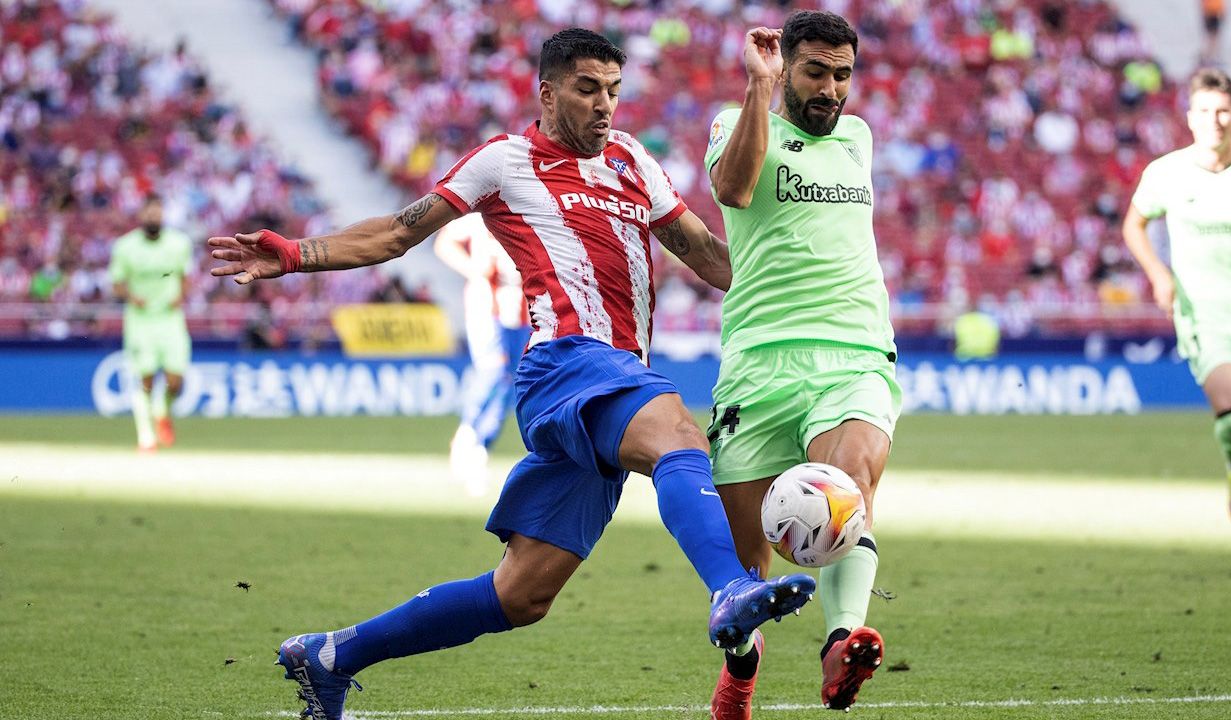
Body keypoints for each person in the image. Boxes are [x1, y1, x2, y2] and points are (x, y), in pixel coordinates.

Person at [208, 29, 816, 719]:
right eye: (587, 89)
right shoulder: (505, 161)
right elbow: (398, 233)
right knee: (680, 437)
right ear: (547, 91)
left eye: (613, 90)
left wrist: (804, 285)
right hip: (565, 364)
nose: (604, 105)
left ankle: (330, 657)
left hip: (612, 379)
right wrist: (295, 253)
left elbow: (708, 257)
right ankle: (729, 589)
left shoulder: (632, 162)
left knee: (521, 596)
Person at [702, 12, 900, 717]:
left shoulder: (859, 137)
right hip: (758, 362)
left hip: (853, 349)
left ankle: (842, 639)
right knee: (745, 568)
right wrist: (759, 90)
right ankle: (741, 667)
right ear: (784, 67)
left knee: (848, 485)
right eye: (816, 72)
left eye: (843, 74)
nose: (832, 89)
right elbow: (733, 190)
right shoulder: (735, 122)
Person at [1123, 68, 1231, 575]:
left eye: (1223, 110)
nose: (1215, 120)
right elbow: (1135, 224)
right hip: (1203, 318)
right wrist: (1158, 275)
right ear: (1190, 118)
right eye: (1205, 111)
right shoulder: (1166, 172)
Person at [434, 213, 531, 496]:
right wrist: (472, 269)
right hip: (486, 309)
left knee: (511, 382)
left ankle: (479, 448)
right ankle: (467, 434)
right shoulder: (480, 217)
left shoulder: (530, 210)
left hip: (523, 312)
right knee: (492, 370)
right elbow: (444, 243)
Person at [108, 194, 193, 452]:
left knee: (175, 379)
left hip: (170, 319)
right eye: (149, 213)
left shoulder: (179, 244)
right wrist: (132, 297)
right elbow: (118, 283)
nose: (153, 217)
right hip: (140, 321)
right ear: (141, 215)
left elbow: (186, 276)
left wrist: (181, 296)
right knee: (145, 378)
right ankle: (146, 437)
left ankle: (162, 410)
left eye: (157, 213)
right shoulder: (125, 247)